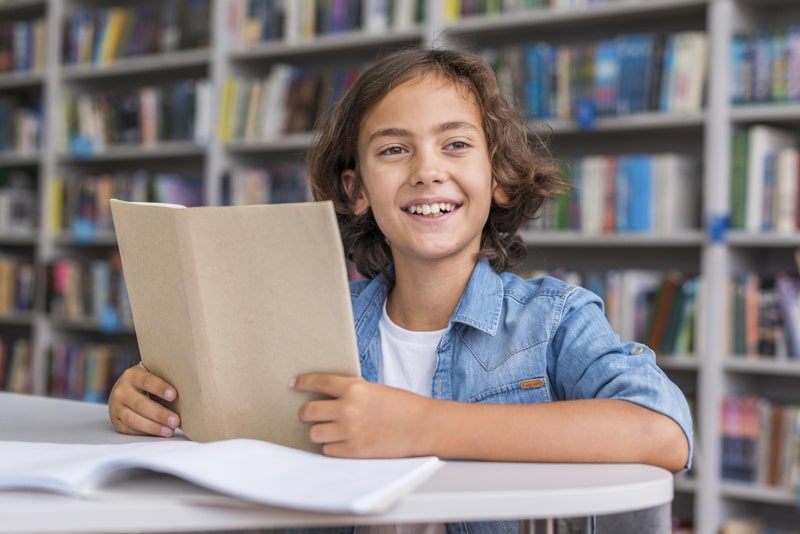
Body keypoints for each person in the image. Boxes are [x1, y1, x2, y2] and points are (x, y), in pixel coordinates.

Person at [108, 47, 692, 529]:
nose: (426, 169)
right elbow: (231, 440)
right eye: (393, 149)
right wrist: (149, 404)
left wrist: (421, 425)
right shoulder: (309, 323)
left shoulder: (555, 319)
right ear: (356, 190)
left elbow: (662, 432)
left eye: (455, 144)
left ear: (501, 178)